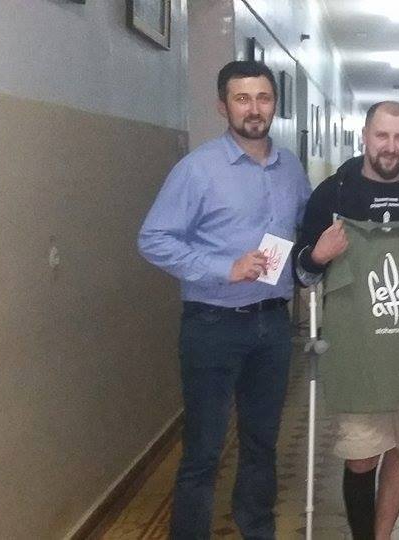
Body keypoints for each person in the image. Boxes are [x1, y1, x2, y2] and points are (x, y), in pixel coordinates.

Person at [137, 60, 311, 539]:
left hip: (273, 325)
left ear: (274, 104)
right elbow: (153, 238)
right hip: (212, 325)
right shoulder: (198, 169)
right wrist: (224, 267)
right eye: (242, 98)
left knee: (262, 443)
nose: (254, 109)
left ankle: (257, 529)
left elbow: (306, 226)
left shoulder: (290, 168)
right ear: (223, 106)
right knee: (203, 450)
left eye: (263, 98)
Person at [291, 101, 399, 540]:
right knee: (361, 456)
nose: (390, 146)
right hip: (358, 351)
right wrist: (318, 256)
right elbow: (301, 272)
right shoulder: (333, 194)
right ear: (364, 136)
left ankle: (382, 534)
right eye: (382, 135)